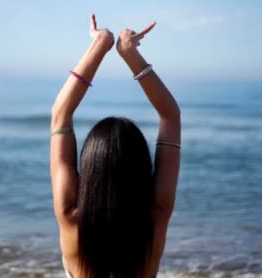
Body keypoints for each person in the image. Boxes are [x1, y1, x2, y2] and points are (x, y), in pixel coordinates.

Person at [50, 14, 181, 278]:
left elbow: (60, 115)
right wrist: (130, 54)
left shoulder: (70, 218)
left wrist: (100, 44)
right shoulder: (155, 217)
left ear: (88, 166)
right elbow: (171, 116)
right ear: (142, 168)